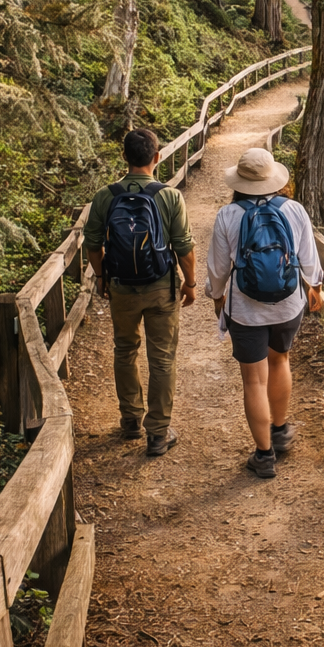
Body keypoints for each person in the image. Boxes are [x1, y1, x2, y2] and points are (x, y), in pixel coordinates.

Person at [207, 147, 322, 479]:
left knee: (254, 380)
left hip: (245, 309)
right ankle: (280, 430)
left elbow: (218, 269)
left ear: (239, 182)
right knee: (280, 360)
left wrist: (217, 297)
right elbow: (309, 258)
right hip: (288, 303)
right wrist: (315, 286)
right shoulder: (294, 209)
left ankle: (263, 455)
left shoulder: (228, 215)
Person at [84, 128, 197, 457]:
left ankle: (131, 419)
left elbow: (93, 245)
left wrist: (102, 277)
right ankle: (158, 433)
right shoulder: (169, 196)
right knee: (162, 357)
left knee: (125, 349)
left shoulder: (106, 196)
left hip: (121, 287)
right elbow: (184, 248)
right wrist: (189, 283)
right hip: (161, 287)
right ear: (157, 157)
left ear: (124, 157)